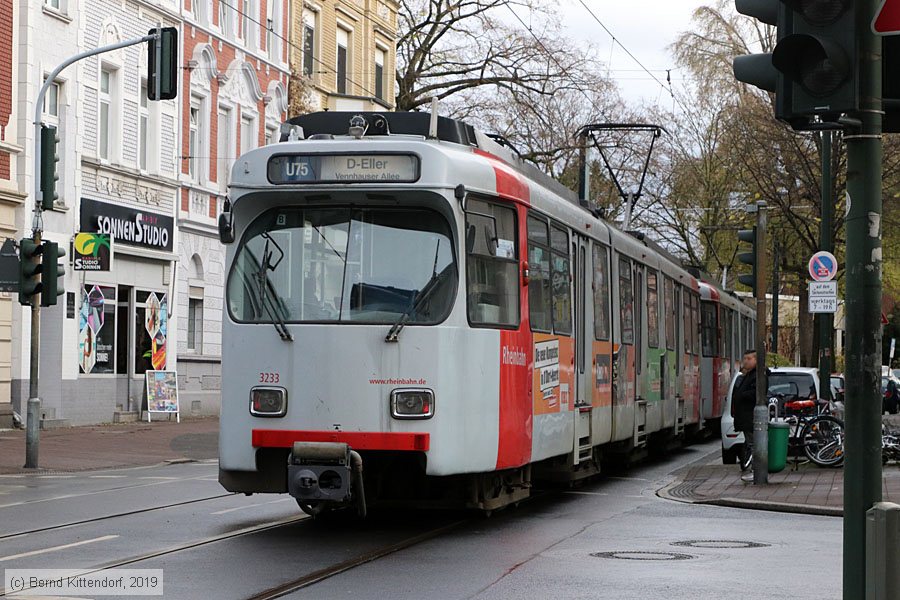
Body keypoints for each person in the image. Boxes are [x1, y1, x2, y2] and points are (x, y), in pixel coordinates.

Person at [732, 350, 758, 482]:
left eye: (749, 359)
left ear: (756, 360)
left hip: (750, 416)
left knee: (754, 444)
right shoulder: (750, 375)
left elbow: (756, 393)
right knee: (751, 443)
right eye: (745, 359)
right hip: (746, 416)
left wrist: (742, 395)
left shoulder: (757, 375)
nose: (746, 361)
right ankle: (755, 470)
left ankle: (756, 471)